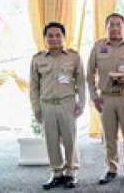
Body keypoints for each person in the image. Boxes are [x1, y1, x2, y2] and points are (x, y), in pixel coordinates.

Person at [29, 21, 85, 190]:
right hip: (47, 105)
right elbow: (34, 87)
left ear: (64, 37)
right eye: (50, 36)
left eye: (58, 35)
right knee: (51, 141)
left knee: (70, 139)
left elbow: (81, 82)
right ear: (45, 38)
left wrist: (81, 102)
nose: (54, 39)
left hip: (67, 103)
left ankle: (71, 173)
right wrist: (36, 108)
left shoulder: (73, 57)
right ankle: (57, 173)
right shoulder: (37, 59)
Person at [87, 13, 124, 185]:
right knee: (109, 136)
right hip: (106, 98)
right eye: (111, 25)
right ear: (106, 27)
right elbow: (89, 74)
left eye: (119, 25)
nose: (115, 28)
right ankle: (111, 168)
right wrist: (94, 96)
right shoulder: (98, 46)